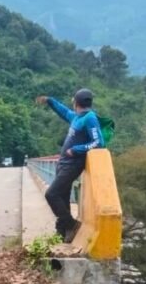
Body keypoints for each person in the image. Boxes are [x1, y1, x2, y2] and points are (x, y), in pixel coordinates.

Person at [36, 89, 105, 243]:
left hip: (73, 164)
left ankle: (72, 225)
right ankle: (62, 232)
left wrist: (76, 150)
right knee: (63, 197)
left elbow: (98, 142)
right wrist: (50, 100)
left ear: (76, 102)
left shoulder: (90, 118)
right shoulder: (76, 117)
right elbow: (64, 111)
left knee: (51, 194)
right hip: (63, 163)